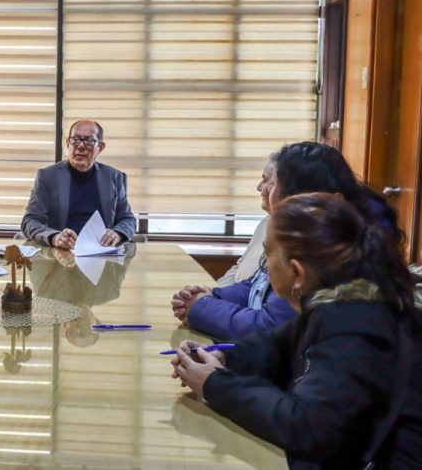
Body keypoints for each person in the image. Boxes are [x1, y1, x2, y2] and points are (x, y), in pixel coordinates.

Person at [171, 193, 422, 468]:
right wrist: (223, 357)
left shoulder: (356, 325)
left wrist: (214, 384)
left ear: (297, 273)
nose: (265, 267)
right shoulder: (339, 299)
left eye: (267, 257)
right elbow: (278, 344)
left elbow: (306, 427)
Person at [172, 141, 402, 340]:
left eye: (272, 184)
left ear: (303, 197)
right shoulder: (298, 232)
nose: (264, 190)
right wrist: (211, 297)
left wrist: (202, 307)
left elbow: (268, 327)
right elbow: (257, 283)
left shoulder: (324, 251)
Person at [21, 120, 137, 249]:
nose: (80, 146)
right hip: (61, 252)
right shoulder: (47, 176)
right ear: (67, 143)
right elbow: (30, 221)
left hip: (101, 251)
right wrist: (54, 237)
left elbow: (128, 219)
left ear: (100, 147)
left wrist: (117, 234)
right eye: (75, 140)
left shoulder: (114, 177)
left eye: (89, 141)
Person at [215, 152, 278, 286]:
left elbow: (252, 289)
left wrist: (212, 296)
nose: (259, 187)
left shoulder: (290, 237)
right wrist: (212, 291)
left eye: (266, 180)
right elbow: (239, 268)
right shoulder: (265, 222)